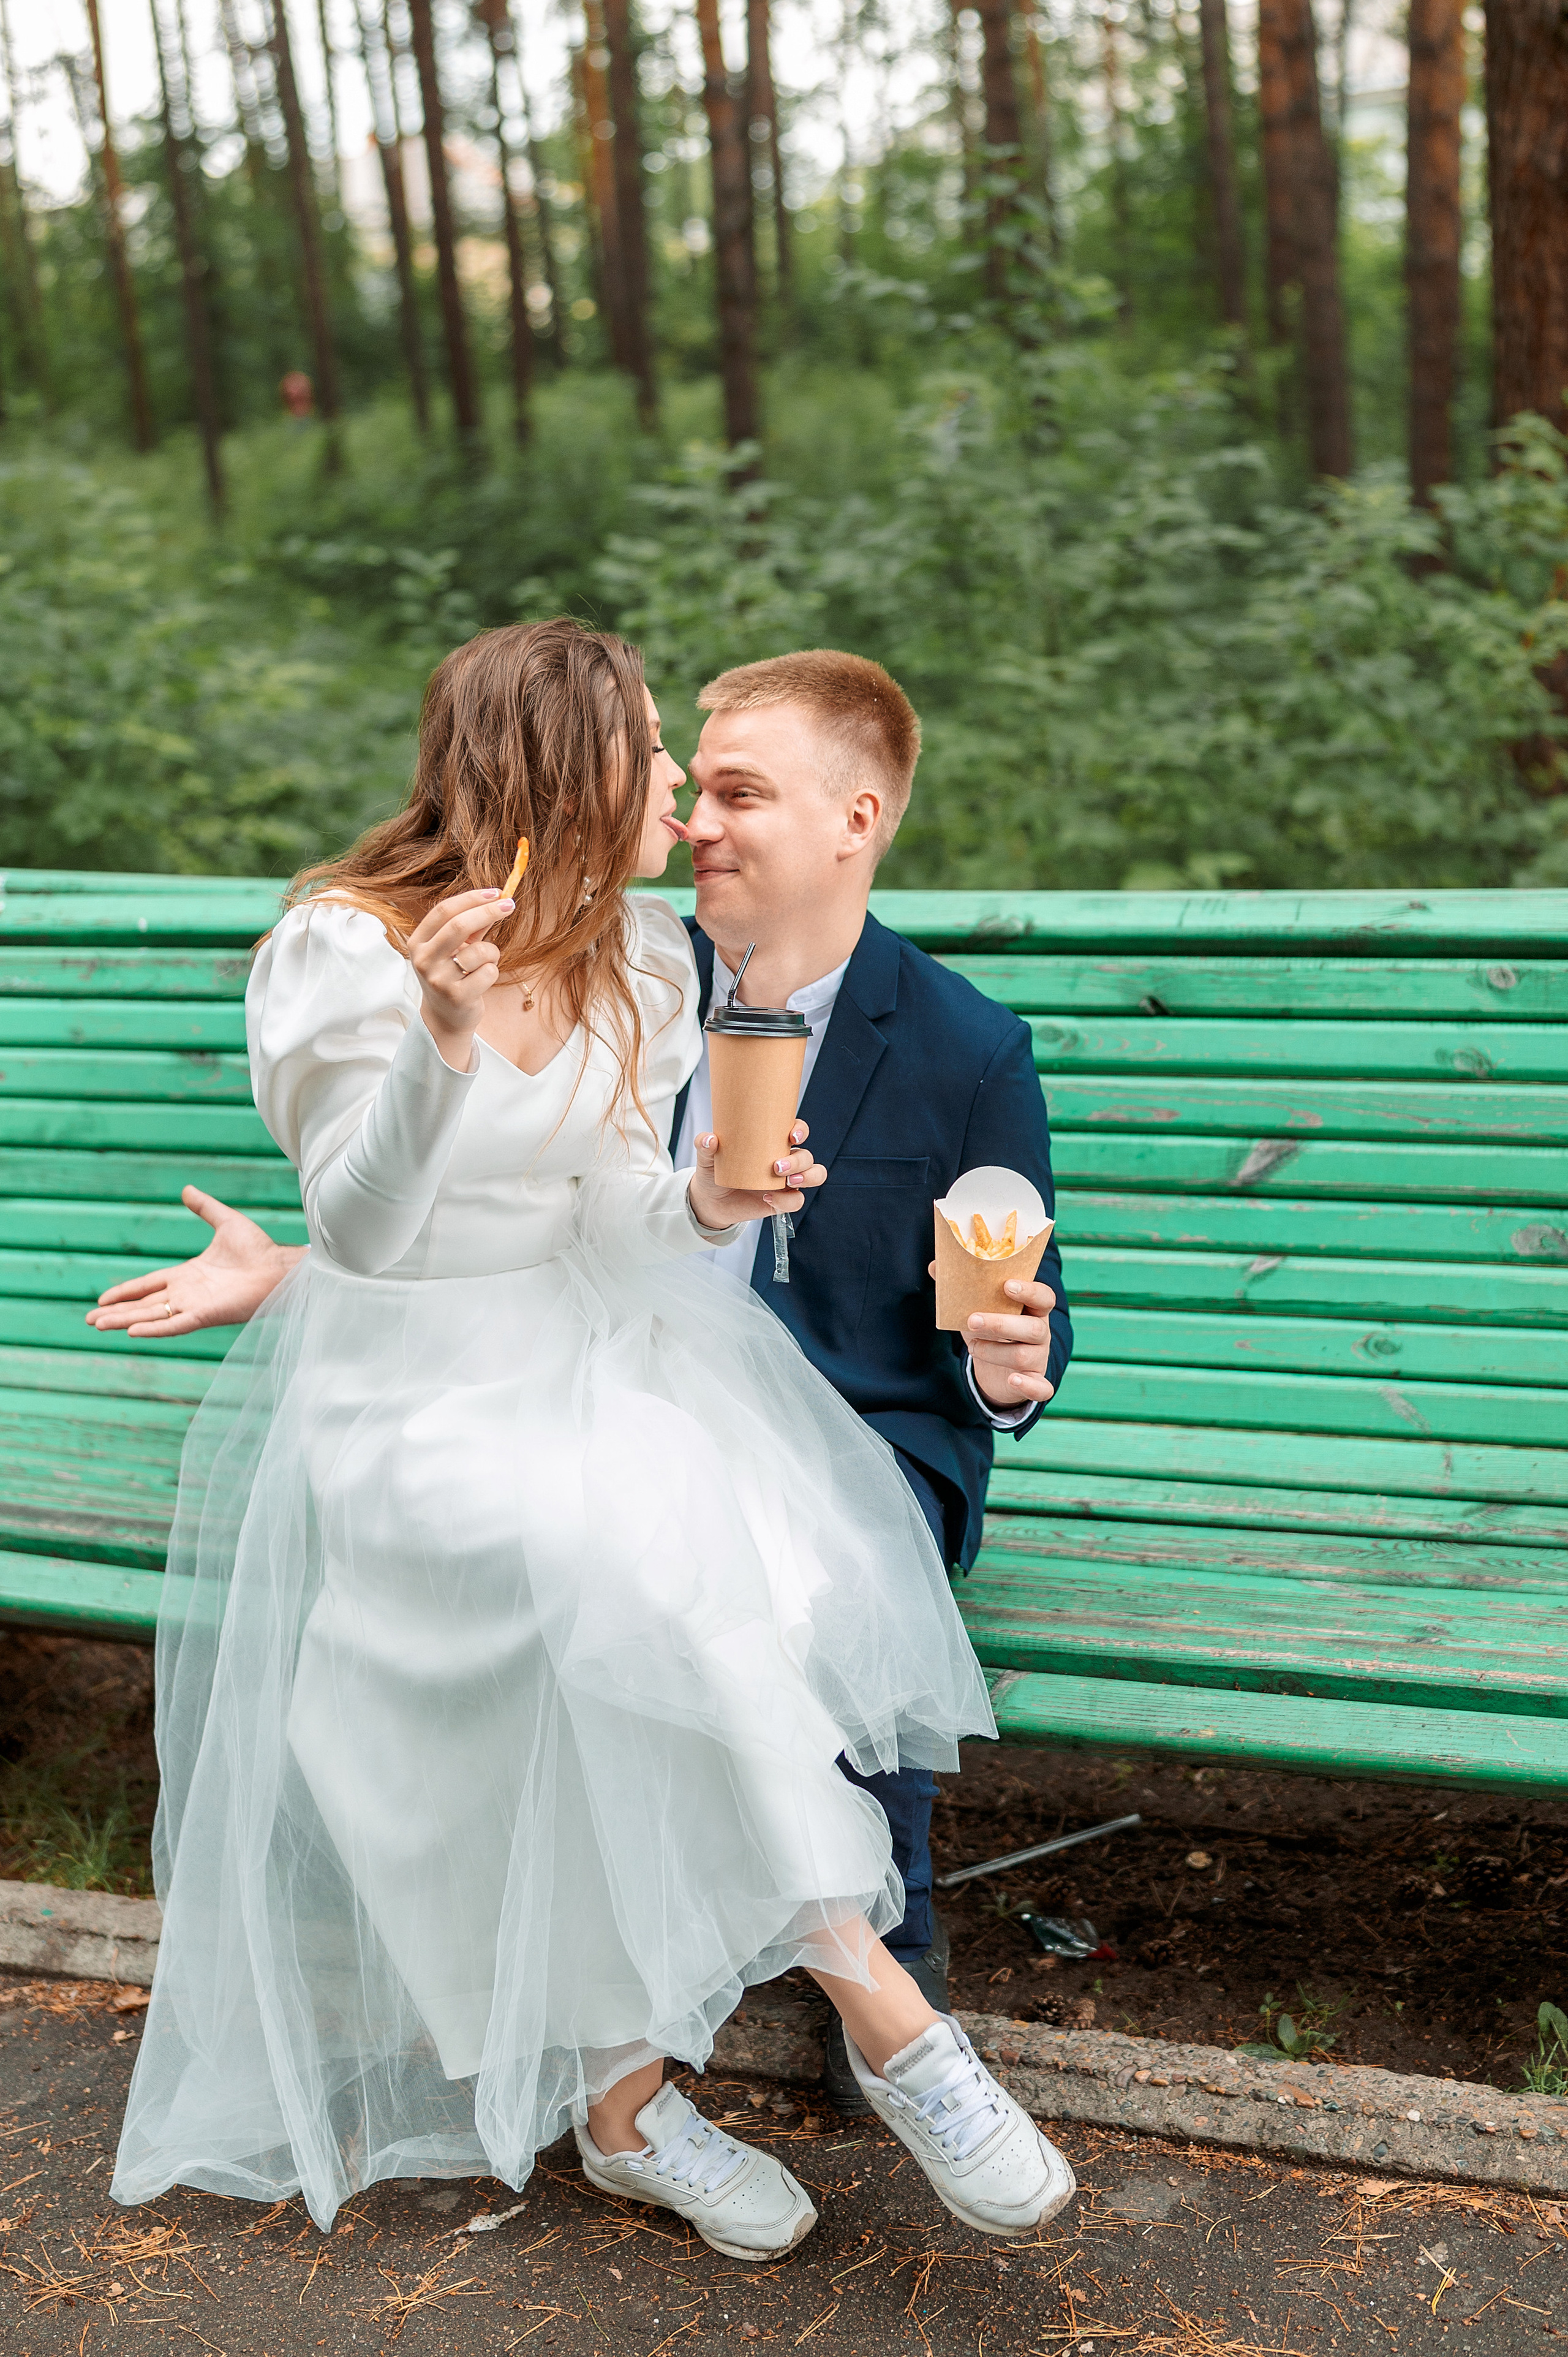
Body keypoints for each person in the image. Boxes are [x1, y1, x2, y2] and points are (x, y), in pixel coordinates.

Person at [109, 619, 1076, 2255]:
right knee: (615, 1562)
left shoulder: (636, 957)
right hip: (410, 1395)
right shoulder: (347, 951)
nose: (684, 799)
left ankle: (671, 2082)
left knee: (686, 1559)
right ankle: (871, 2018)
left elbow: (614, 1213)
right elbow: (367, 1229)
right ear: (568, 769)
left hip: (580, 1358)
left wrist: (704, 1196)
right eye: (660, 756)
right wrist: (439, 1040)